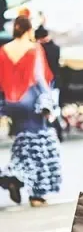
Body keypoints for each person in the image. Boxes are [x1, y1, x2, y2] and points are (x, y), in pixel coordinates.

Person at [0, 16, 61, 207]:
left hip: (11, 103)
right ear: (28, 30)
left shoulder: (4, 50)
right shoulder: (34, 48)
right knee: (39, 145)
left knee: (23, 142)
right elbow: (39, 77)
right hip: (31, 100)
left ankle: (13, 177)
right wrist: (49, 101)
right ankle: (37, 194)